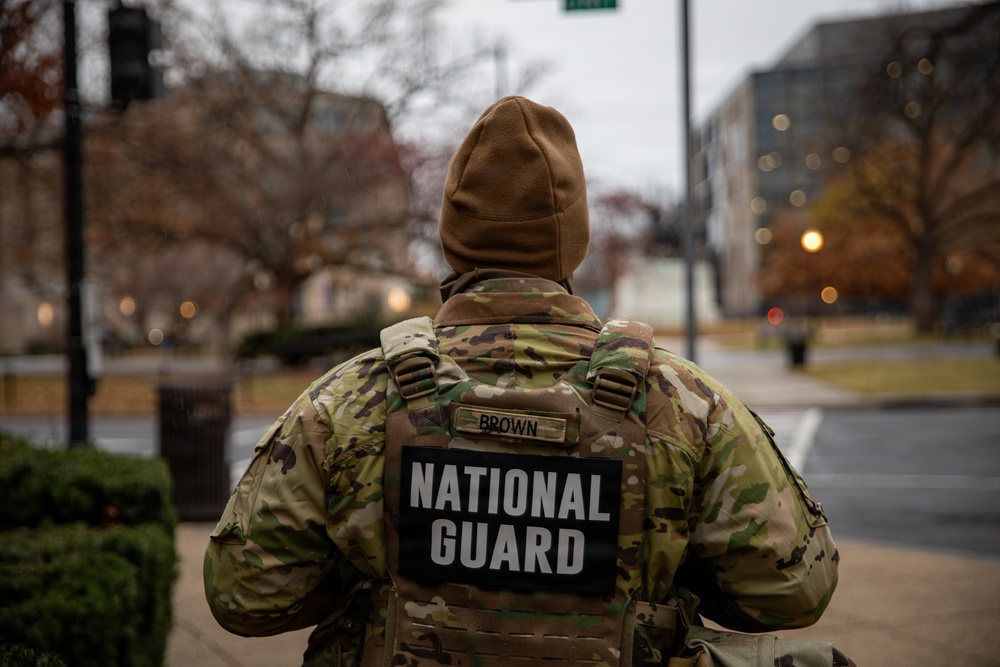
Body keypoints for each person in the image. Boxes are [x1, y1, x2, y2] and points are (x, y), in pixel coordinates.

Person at [205, 95, 840, 666]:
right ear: (573, 240)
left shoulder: (345, 402)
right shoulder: (686, 403)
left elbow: (244, 595)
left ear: (454, 237)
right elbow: (792, 592)